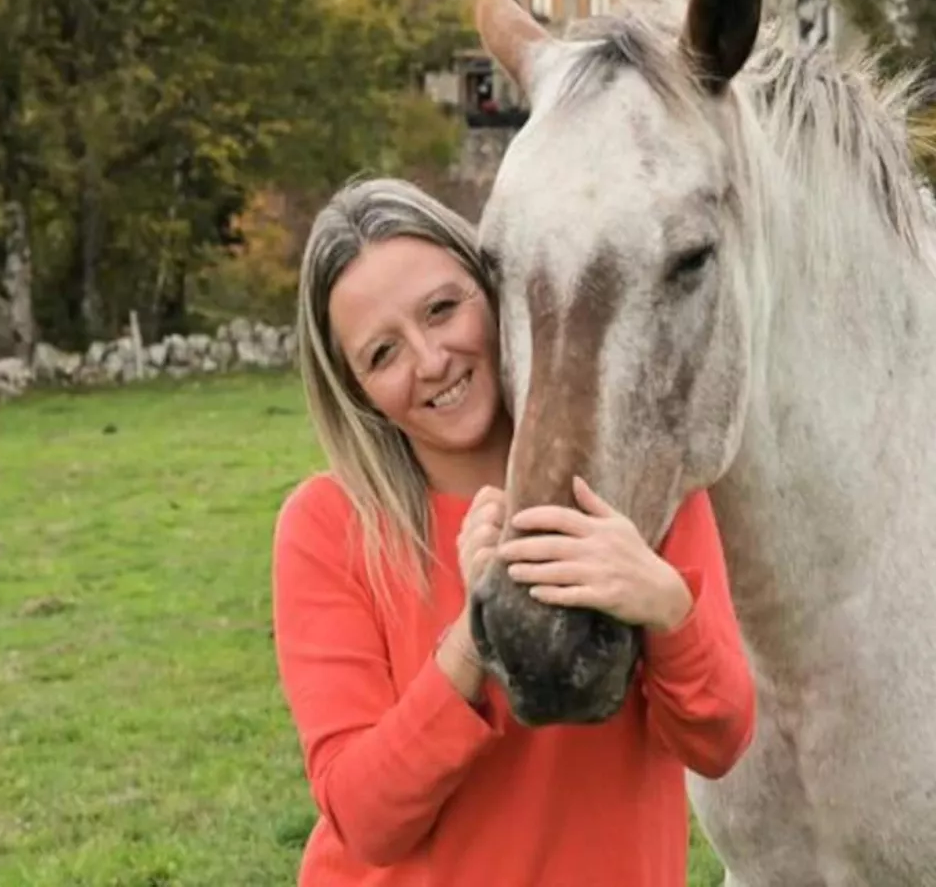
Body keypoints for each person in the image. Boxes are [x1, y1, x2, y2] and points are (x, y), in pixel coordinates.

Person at [271, 176, 756, 886]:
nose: (431, 360)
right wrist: (475, 636)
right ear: (357, 392)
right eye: (383, 354)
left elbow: (718, 742)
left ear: (493, 286)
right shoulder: (329, 528)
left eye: (442, 309)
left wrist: (663, 606)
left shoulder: (632, 472)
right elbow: (367, 818)